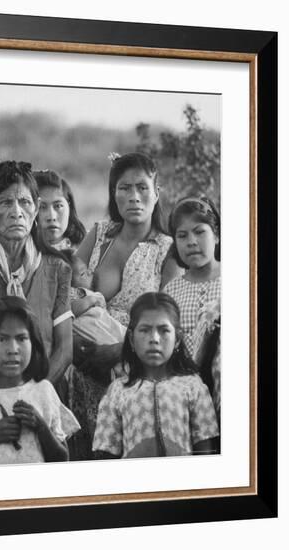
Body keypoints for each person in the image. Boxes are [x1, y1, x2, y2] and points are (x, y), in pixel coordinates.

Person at [68, 152, 181, 459]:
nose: (134, 197)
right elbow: (68, 291)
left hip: (135, 363)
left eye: (142, 187)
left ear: (157, 193)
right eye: (124, 188)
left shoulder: (168, 250)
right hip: (84, 358)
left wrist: (120, 350)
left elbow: (169, 321)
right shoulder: (99, 233)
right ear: (113, 193)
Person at [0, 157, 73, 389]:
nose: (16, 212)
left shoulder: (57, 268)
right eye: (5, 203)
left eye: (24, 202)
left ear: (36, 208)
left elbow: (64, 348)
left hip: (42, 397)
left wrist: (35, 395)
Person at [92, 292, 219, 459]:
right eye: (144, 330)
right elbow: (105, 452)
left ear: (178, 339)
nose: (154, 339)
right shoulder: (118, 391)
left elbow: (205, 448)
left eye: (164, 330)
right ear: (131, 338)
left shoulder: (193, 386)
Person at [0, 296, 80, 466]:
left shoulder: (44, 391)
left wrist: (41, 427)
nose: (13, 350)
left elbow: (62, 460)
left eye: (21, 338)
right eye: (2, 339)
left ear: (34, 343)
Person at [163, 196, 221, 418]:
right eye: (182, 235)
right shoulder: (171, 291)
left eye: (199, 232)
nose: (191, 241)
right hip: (185, 385)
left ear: (216, 235)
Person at [61, 249, 126, 346]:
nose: (90, 273)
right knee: (109, 341)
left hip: (101, 321)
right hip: (87, 324)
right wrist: (91, 299)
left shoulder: (87, 293)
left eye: (87, 270)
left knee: (119, 332)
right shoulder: (69, 293)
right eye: (83, 273)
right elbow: (70, 311)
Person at [34, 169, 86, 251]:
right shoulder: (17, 255)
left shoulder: (89, 249)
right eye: (42, 207)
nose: (51, 217)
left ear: (69, 206)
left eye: (58, 206)